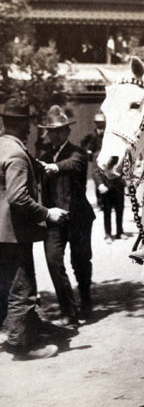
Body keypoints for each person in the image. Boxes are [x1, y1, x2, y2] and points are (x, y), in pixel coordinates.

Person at [0, 98, 70, 360]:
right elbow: (18, 198)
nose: (31, 129)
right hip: (13, 233)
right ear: (22, 125)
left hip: (2, 234)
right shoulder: (16, 154)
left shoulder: (3, 147)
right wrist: (47, 213)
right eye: (28, 123)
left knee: (5, 286)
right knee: (23, 290)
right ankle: (22, 347)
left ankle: (26, 330)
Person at [38, 105, 95, 326]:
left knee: (80, 261)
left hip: (78, 218)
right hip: (54, 219)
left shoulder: (76, 153)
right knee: (53, 261)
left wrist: (55, 167)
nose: (54, 134)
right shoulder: (45, 155)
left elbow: (75, 164)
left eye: (58, 130)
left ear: (67, 131)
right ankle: (68, 310)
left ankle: (86, 299)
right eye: (50, 130)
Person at [89, 113, 127, 243]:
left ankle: (120, 231)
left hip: (118, 185)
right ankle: (108, 234)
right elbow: (95, 171)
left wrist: (126, 179)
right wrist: (100, 184)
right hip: (106, 186)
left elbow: (124, 167)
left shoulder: (118, 152)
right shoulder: (98, 154)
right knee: (107, 211)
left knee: (120, 210)